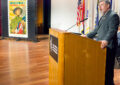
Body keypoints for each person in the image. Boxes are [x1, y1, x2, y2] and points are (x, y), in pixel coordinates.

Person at [82, 0, 119, 85]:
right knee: (102, 66)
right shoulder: (103, 16)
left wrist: (106, 40)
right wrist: (87, 35)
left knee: (108, 67)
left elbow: (112, 30)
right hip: (100, 45)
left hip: (109, 45)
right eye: (99, 5)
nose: (100, 7)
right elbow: (96, 30)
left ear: (108, 5)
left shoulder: (113, 15)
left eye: (102, 5)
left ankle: (109, 83)